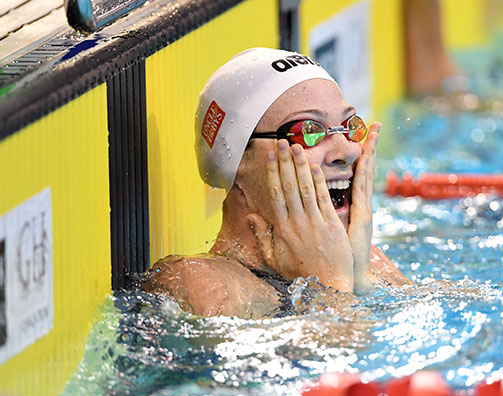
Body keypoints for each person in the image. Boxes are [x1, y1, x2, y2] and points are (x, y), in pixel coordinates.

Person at [142, 48, 411, 317]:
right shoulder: (201, 285)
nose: (349, 151)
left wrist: (361, 280)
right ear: (237, 161)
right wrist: (333, 287)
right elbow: (347, 354)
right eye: (308, 131)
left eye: (349, 125)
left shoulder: (364, 260)